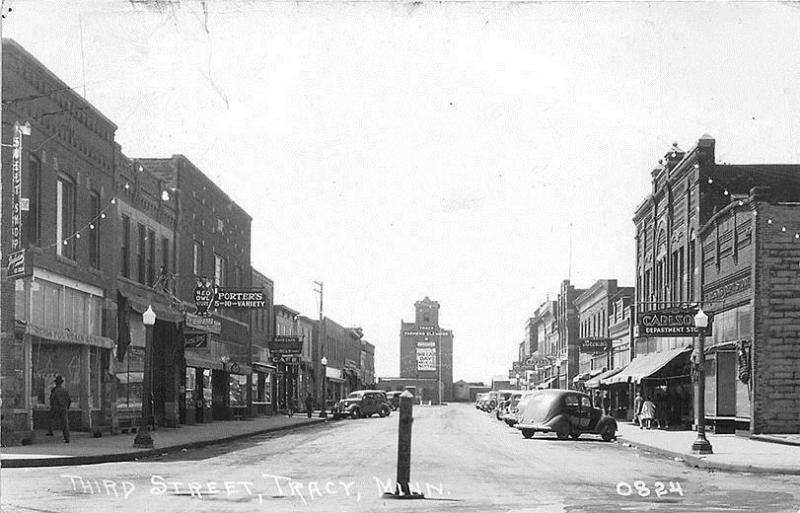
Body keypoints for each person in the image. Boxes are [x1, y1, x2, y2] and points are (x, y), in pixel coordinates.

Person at [46, 376, 71, 443]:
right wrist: (67, 407)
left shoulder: (54, 390)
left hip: (56, 407)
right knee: (65, 423)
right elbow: (69, 400)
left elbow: (52, 399)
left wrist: (53, 406)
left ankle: (50, 431)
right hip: (63, 408)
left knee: (51, 418)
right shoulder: (65, 390)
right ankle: (67, 437)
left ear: (56, 383)